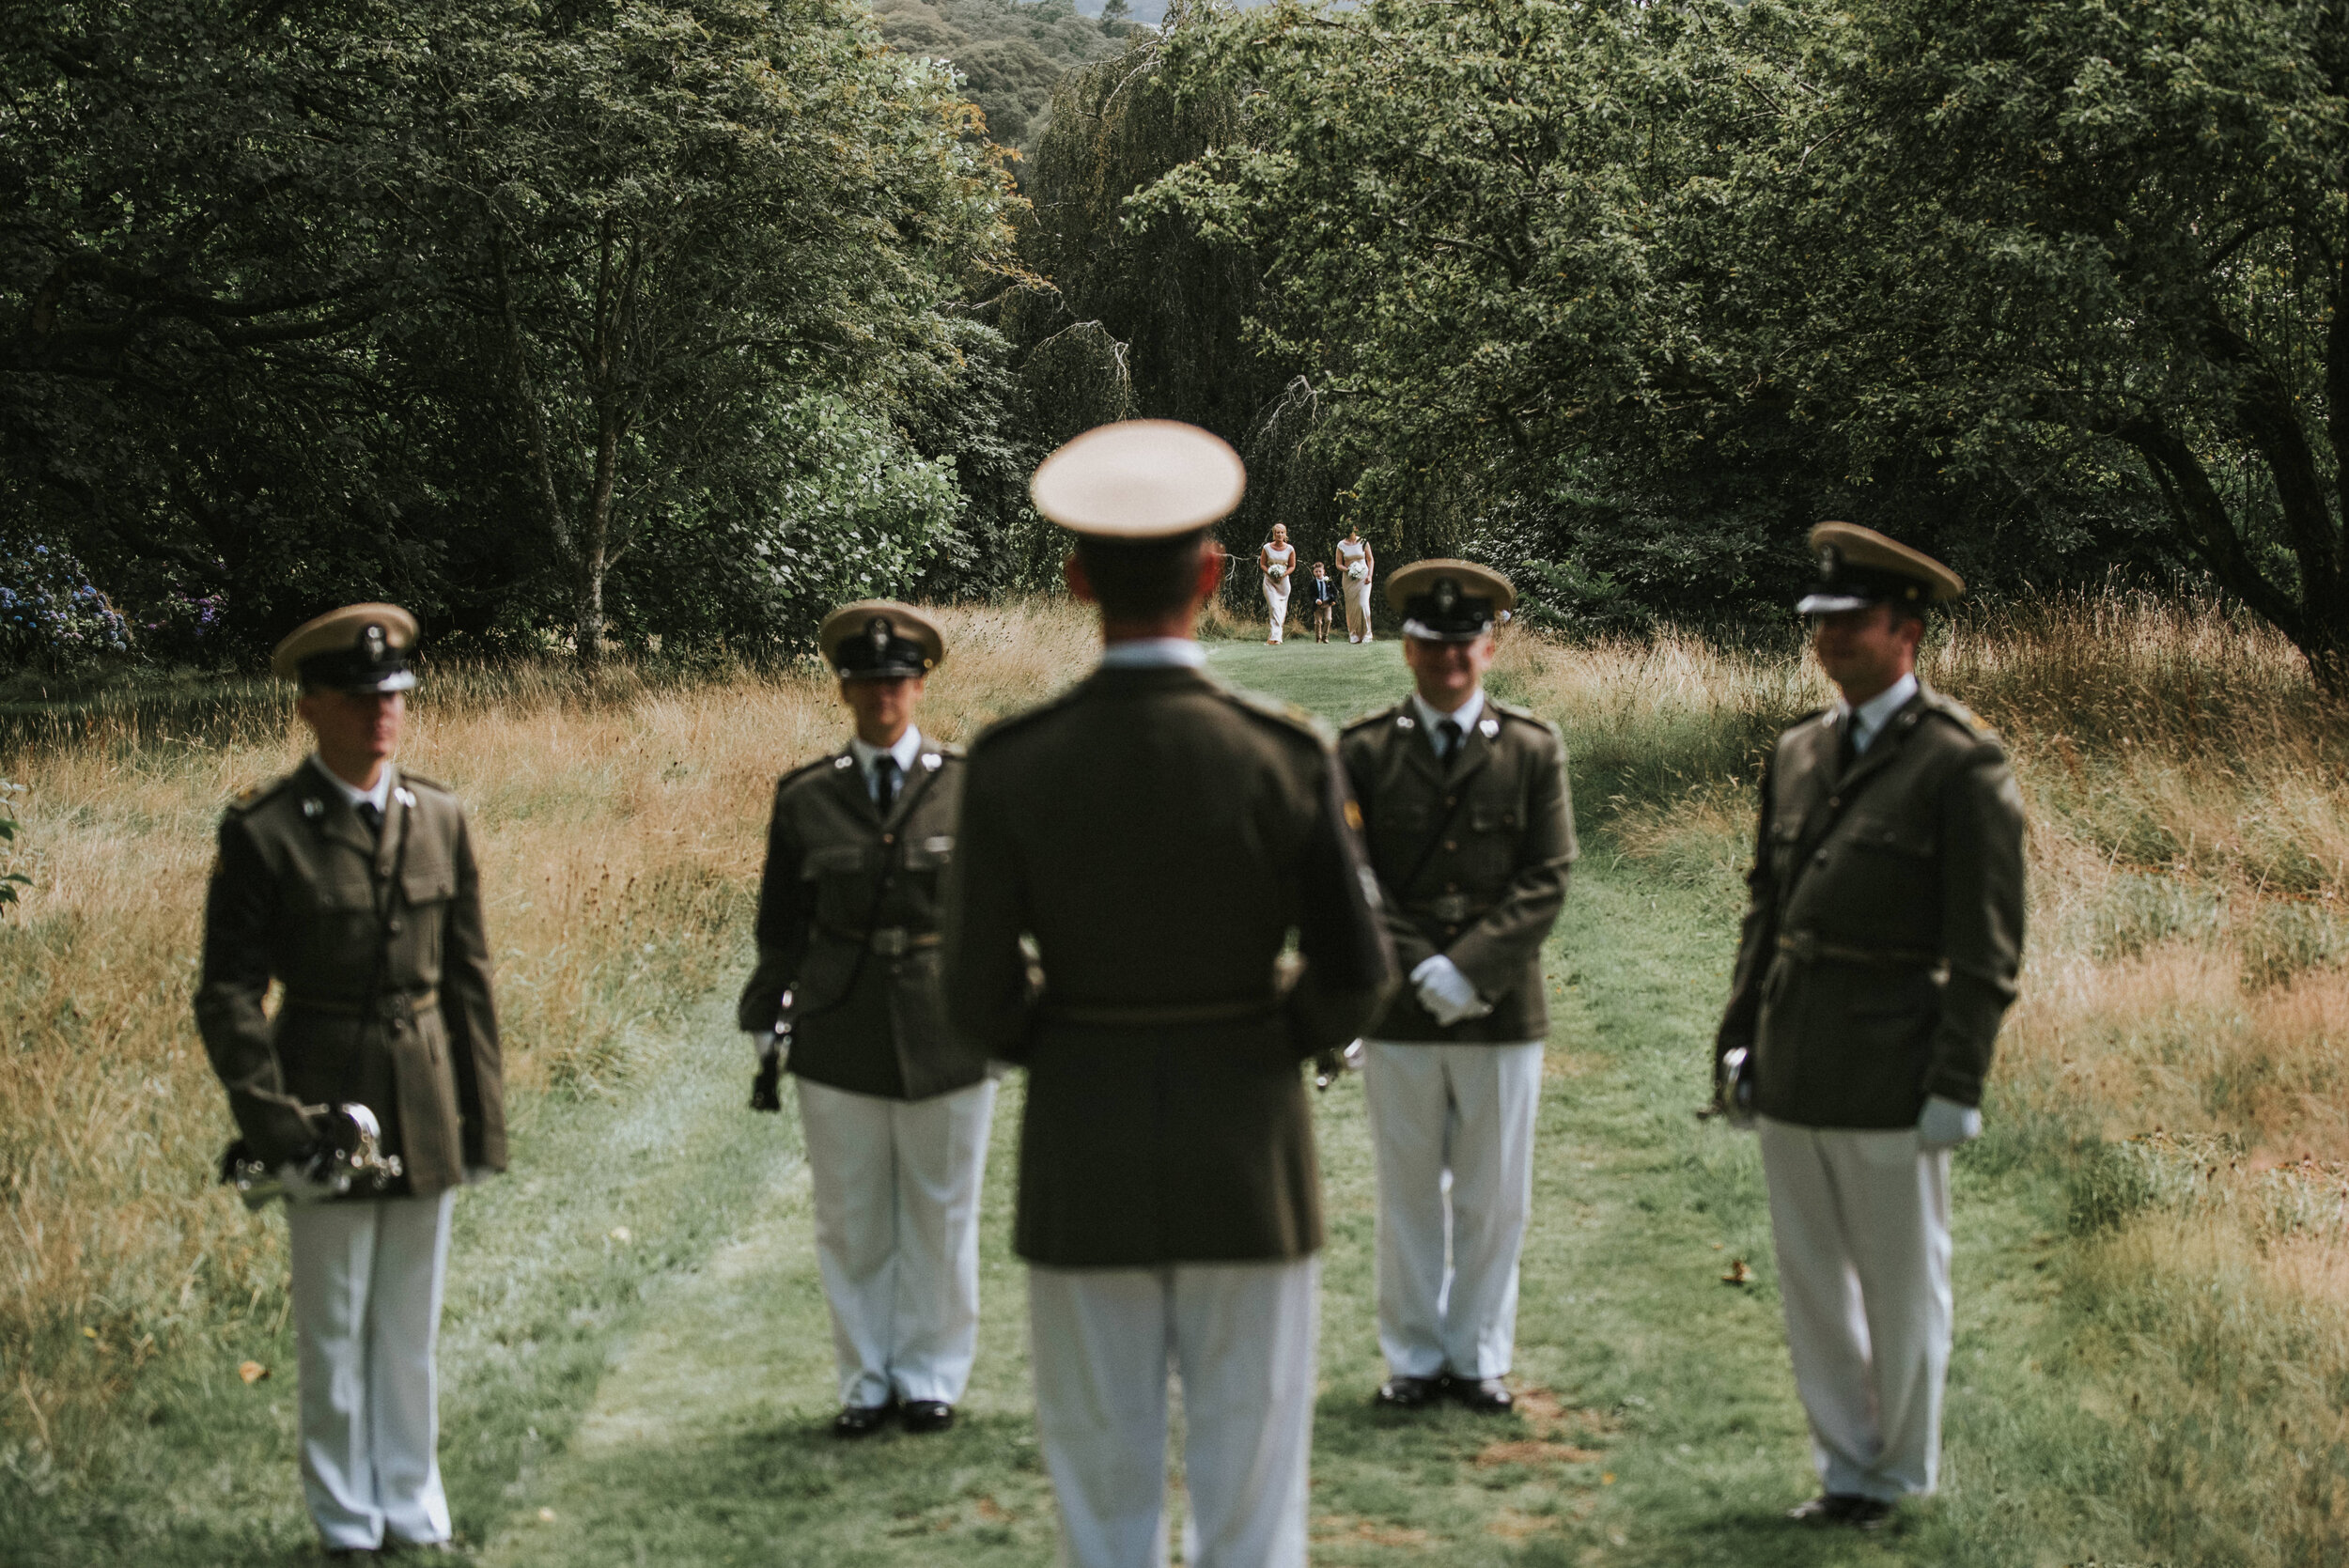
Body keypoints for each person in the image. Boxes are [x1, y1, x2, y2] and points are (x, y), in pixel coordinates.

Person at [942, 419, 1395, 1568]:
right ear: (1210, 576)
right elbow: (1356, 970)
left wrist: (1078, 1037)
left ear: (1076, 576)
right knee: (1250, 1492)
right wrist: (1257, 1038)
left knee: (1103, 1493)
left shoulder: (1012, 761)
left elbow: (974, 993)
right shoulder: (1283, 754)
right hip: (1248, 1144)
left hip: (1082, 1144)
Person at [1713, 521, 2026, 1531]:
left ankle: (1898, 1474)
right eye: (1821, 623)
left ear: (1907, 629)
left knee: (1901, 1287)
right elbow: (1767, 908)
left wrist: (1957, 1084)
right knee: (1811, 1283)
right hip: (1797, 1050)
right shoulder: (1799, 749)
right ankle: (1844, 1467)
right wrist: (1739, 1034)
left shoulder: (1959, 764)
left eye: (1851, 623)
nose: (1829, 640)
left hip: (1895, 1062)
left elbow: (1986, 948)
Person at [194, 604, 505, 1560]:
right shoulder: (267, 832)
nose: (383, 714)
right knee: (333, 1327)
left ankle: (411, 1507)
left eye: (394, 697)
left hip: (422, 1090)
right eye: (360, 698)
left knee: (407, 1327)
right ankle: (345, 1520)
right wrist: (273, 1120)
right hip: (320, 1099)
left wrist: (482, 1124)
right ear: (311, 706)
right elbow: (229, 993)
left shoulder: (439, 817)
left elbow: (468, 979)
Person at [738, 600, 993, 1438]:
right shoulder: (806, 796)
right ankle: (865, 1380)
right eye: (865, 681)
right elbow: (782, 924)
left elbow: (993, 913)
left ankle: (930, 1377)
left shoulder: (967, 785)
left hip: (943, 1023)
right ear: (844, 689)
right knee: (851, 1217)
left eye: (897, 679)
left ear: (920, 684)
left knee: (942, 1212)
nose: (882, 694)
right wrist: (768, 1010)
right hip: (839, 1022)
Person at [1339, 561, 1576, 1416]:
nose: (1450, 659)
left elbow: (1548, 876)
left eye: (1464, 642)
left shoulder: (1531, 748)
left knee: (1492, 1195)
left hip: (1501, 1008)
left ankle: (1477, 1357)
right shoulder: (1364, 750)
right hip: (1402, 1010)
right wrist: (1417, 966)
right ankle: (1412, 1357)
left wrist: (1469, 967)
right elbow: (1354, 878)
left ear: (1491, 641)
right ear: (1408, 648)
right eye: (1432, 644)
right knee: (1408, 1194)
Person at [1257, 521, 1298, 644]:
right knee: (1274, 606)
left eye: (1282, 532)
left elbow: (1292, 566)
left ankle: (1275, 636)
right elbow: (1262, 564)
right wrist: (1271, 573)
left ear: (1285, 534)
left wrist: (1283, 575)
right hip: (1269, 581)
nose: (1280, 535)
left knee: (1281, 609)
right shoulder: (1267, 548)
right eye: (1277, 532)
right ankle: (1275, 637)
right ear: (1274, 534)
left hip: (1283, 582)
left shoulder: (1290, 549)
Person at [1336, 524, 1375, 643]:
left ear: (1356, 529)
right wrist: (1349, 570)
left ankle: (1367, 634)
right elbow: (1338, 564)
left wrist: (1370, 575)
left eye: (1351, 528)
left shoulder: (1363, 542)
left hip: (1364, 578)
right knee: (1352, 607)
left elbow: (1370, 559)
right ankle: (1354, 634)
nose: (1349, 530)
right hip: (1349, 579)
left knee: (1363, 605)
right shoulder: (1341, 545)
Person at [1306, 561, 1338, 643]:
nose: (1318, 573)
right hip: (1317, 604)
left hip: (1327, 603)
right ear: (1313, 572)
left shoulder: (1328, 581)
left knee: (1328, 619)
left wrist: (1333, 600)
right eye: (1316, 571)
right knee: (1318, 622)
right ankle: (1318, 637)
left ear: (1324, 571)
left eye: (1320, 571)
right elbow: (1310, 594)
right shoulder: (1312, 583)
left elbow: (1335, 591)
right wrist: (1316, 600)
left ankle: (1325, 636)